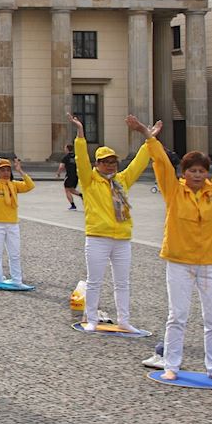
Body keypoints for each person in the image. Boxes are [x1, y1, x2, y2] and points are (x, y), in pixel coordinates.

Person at [128, 113, 212, 383]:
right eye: (193, 171)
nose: (198, 175)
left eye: (202, 171)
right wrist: (146, 134)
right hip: (179, 260)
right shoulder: (174, 190)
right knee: (177, 316)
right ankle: (171, 365)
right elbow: (162, 165)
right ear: (184, 173)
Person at [71, 113, 150, 333]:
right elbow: (80, 161)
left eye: (113, 162)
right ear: (97, 163)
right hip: (98, 237)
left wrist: (148, 139)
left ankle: (124, 320)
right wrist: (80, 135)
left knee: (122, 283)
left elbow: (139, 164)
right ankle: (92, 318)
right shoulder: (89, 180)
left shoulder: (122, 180)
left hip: (122, 237)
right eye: (105, 162)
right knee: (95, 281)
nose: (110, 166)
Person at [0, 158, 34, 285]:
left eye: (8, 170)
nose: (5, 173)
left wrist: (20, 171)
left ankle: (17, 280)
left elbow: (30, 186)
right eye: (2, 170)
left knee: (15, 254)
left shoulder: (14, 185)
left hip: (12, 224)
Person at [57, 143, 81, 210]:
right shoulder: (76, 156)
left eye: (65, 148)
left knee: (67, 190)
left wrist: (58, 173)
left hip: (69, 176)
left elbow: (61, 166)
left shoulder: (66, 157)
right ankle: (81, 195)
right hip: (75, 176)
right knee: (71, 189)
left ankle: (73, 205)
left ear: (67, 149)